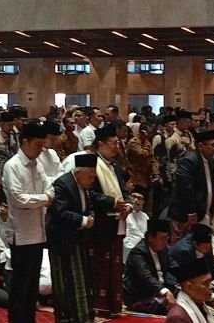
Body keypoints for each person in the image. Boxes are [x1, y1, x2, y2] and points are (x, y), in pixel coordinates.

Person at [1, 121, 53, 323]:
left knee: (32, 287)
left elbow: (50, 187)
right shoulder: (12, 166)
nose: (41, 149)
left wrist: (44, 197)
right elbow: (19, 199)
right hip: (21, 235)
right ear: (24, 142)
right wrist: (44, 199)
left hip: (38, 233)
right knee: (20, 287)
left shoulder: (38, 164)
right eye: (38, 144)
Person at [46, 153, 97, 323]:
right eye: (90, 176)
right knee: (66, 284)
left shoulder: (84, 184)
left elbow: (90, 205)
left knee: (82, 281)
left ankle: (83, 317)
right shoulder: (62, 184)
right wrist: (83, 220)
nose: (92, 180)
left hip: (79, 239)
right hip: (62, 241)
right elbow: (60, 213)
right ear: (78, 172)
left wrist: (91, 216)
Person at [89, 125, 132, 317]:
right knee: (102, 266)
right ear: (101, 144)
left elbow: (123, 191)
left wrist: (127, 204)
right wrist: (112, 202)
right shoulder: (92, 163)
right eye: (113, 143)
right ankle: (100, 306)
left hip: (118, 221)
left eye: (117, 143)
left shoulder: (114, 165)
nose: (116, 147)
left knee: (115, 265)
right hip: (101, 224)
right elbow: (90, 194)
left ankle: (114, 306)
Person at [164, 224, 214, 303]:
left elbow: (212, 264)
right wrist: (213, 297)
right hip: (176, 280)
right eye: (205, 247)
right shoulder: (183, 251)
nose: (207, 250)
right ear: (195, 244)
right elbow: (189, 280)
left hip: (196, 276)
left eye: (209, 246)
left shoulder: (206, 244)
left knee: (213, 288)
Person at [168, 130, 214, 238]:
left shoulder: (211, 161)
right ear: (201, 146)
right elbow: (185, 188)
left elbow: (210, 185)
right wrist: (191, 212)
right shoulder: (189, 161)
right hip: (186, 215)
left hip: (203, 212)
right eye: (212, 145)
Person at [122, 219, 175, 315]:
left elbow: (174, 267)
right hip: (140, 295)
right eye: (162, 238)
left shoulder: (164, 250)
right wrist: (165, 291)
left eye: (167, 238)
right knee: (164, 305)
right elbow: (146, 277)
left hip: (158, 290)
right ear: (150, 237)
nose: (165, 242)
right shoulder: (138, 252)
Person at [164, 258, 214, 323]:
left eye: (210, 281)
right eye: (205, 283)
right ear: (189, 287)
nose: (211, 286)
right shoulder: (177, 318)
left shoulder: (200, 305)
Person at [123, 193, 149, 262]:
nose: (136, 200)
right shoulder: (126, 215)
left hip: (143, 244)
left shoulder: (145, 216)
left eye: (139, 199)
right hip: (129, 244)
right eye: (134, 198)